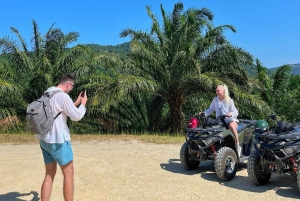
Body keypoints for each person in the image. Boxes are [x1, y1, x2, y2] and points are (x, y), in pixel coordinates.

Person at [36, 74, 87, 201]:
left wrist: (75, 102)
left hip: (44, 139)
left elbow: (58, 109)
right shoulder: (63, 97)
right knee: (68, 174)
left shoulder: (47, 92)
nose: (71, 88)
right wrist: (83, 104)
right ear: (68, 85)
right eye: (72, 86)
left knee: (49, 174)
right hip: (58, 141)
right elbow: (76, 116)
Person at [200, 84, 241, 157]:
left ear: (223, 91)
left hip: (230, 120)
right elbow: (211, 109)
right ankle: (214, 150)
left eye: (218, 90)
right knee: (212, 131)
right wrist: (204, 113)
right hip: (220, 121)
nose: (217, 92)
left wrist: (230, 114)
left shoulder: (229, 100)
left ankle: (237, 145)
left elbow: (236, 111)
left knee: (231, 126)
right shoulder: (215, 100)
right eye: (216, 91)